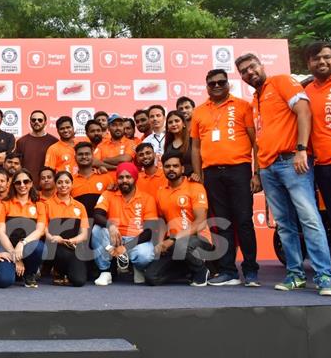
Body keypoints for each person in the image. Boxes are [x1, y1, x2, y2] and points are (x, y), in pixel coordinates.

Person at [238, 52, 331, 296]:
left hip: (292, 161)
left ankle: (324, 276)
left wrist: (302, 149)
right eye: (244, 72)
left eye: (252, 67)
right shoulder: (254, 100)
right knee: (284, 225)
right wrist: (258, 172)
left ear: (261, 66)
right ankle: (295, 274)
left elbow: (304, 112)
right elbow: (259, 139)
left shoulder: (281, 81)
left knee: (310, 219)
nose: (250, 73)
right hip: (268, 167)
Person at [191, 69, 260, 287]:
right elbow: (195, 146)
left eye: (221, 82)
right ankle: (228, 271)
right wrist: (199, 173)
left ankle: (250, 270)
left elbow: (255, 141)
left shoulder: (242, 106)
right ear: (207, 86)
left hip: (239, 170)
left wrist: (257, 172)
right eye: (212, 83)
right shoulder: (199, 111)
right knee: (222, 224)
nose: (217, 86)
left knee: (244, 221)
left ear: (228, 83)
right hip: (211, 173)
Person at [303, 41, 331, 289]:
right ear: (309, 63)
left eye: (326, 58)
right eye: (316, 59)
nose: (322, 62)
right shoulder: (308, 90)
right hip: (321, 166)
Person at [144, 153, 211, 287]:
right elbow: (162, 220)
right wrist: (160, 243)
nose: (171, 169)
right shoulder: (161, 192)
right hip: (172, 245)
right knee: (151, 277)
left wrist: (173, 239)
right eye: (167, 166)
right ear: (163, 169)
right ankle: (187, 270)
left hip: (198, 240)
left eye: (175, 166)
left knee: (180, 244)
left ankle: (202, 271)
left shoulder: (195, 187)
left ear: (182, 169)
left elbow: (201, 221)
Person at [91, 162, 158, 286]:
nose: (124, 180)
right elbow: (97, 215)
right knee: (96, 230)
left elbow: (149, 232)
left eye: (128, 177)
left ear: (135, 178)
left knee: (146, 256)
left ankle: (137, 267)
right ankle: (106, 272)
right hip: (114, 239)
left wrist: (125, 248)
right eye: (121, 177)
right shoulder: (108, 194)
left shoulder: (147, 198)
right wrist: (110, 225)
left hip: (136, 240)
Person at [0, 169, 46, 288]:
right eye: (18, 182)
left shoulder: (39, 205)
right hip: (7, 249)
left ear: (31, 183)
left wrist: (22, 243)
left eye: (26, 182)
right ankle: (14, 270)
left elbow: (40, 230)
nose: (22, 185)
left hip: (27, 247)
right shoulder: (4, 204)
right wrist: (15, 256)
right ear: (13, 185)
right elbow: (1, 233)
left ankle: (29, 273)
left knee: (40, 247)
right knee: (3, 281)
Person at [44, 171, 90, 287]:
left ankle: (65, 273)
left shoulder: (80, 206)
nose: (63, 185)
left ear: (72, 184)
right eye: (59, 182)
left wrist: (71, 241)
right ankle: (58, 271)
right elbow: (44, 230)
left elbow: (84, 234)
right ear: (55, 184)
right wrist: (53, 239)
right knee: (61, 253)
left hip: (73, 246)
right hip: (54, 246)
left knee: (79, 281)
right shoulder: (46, 204)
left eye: (67, 182)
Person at [71, 142, 115, 218]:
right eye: (80, 154)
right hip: (81, 225)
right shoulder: (70, 181)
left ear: (93, 156)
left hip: (102, 225)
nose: (84, 157)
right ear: (75, 157)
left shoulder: (106, 177)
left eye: (87, 154)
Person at [16, 110, 58, 181]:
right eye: (33, 120)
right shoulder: (21, 141)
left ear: (45, 123)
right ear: (30, 122)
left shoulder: (54, 141)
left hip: (47, 184)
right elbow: (18, 165)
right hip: (27, 184)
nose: (36, 122)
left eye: (40, 120)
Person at [164, 111, 193, 176]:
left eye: (177, 121)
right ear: (167, 127)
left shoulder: (193, 141)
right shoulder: (168, 145)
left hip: (193, 181)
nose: (173, 124)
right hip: (175, 183)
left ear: (183, 124)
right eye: (170, 122)